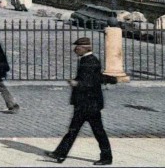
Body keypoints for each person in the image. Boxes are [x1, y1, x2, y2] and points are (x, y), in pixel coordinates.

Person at [46, 37, 116, 165]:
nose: (75, 49)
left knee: (96, 131)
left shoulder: (89, 61)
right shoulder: (87, 60)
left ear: (84, 48)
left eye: (77, 47)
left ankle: (106, 157)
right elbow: (96, 78)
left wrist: (76, 83)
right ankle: (60, 154)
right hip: (86, 103)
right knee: (76, 130)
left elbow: (89, 83)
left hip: (89, 104)